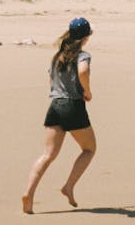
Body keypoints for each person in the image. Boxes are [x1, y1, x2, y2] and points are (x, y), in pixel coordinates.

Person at [22, 17, 96, 213]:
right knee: (89, 149)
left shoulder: (58, 56)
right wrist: (87, 91)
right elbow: (83, 71)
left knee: (48, 154)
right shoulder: (82, 55)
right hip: (72, 105)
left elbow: (50, 79)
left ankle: (29, 194)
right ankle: (69, 186)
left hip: (55, 105)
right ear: (86, 37)